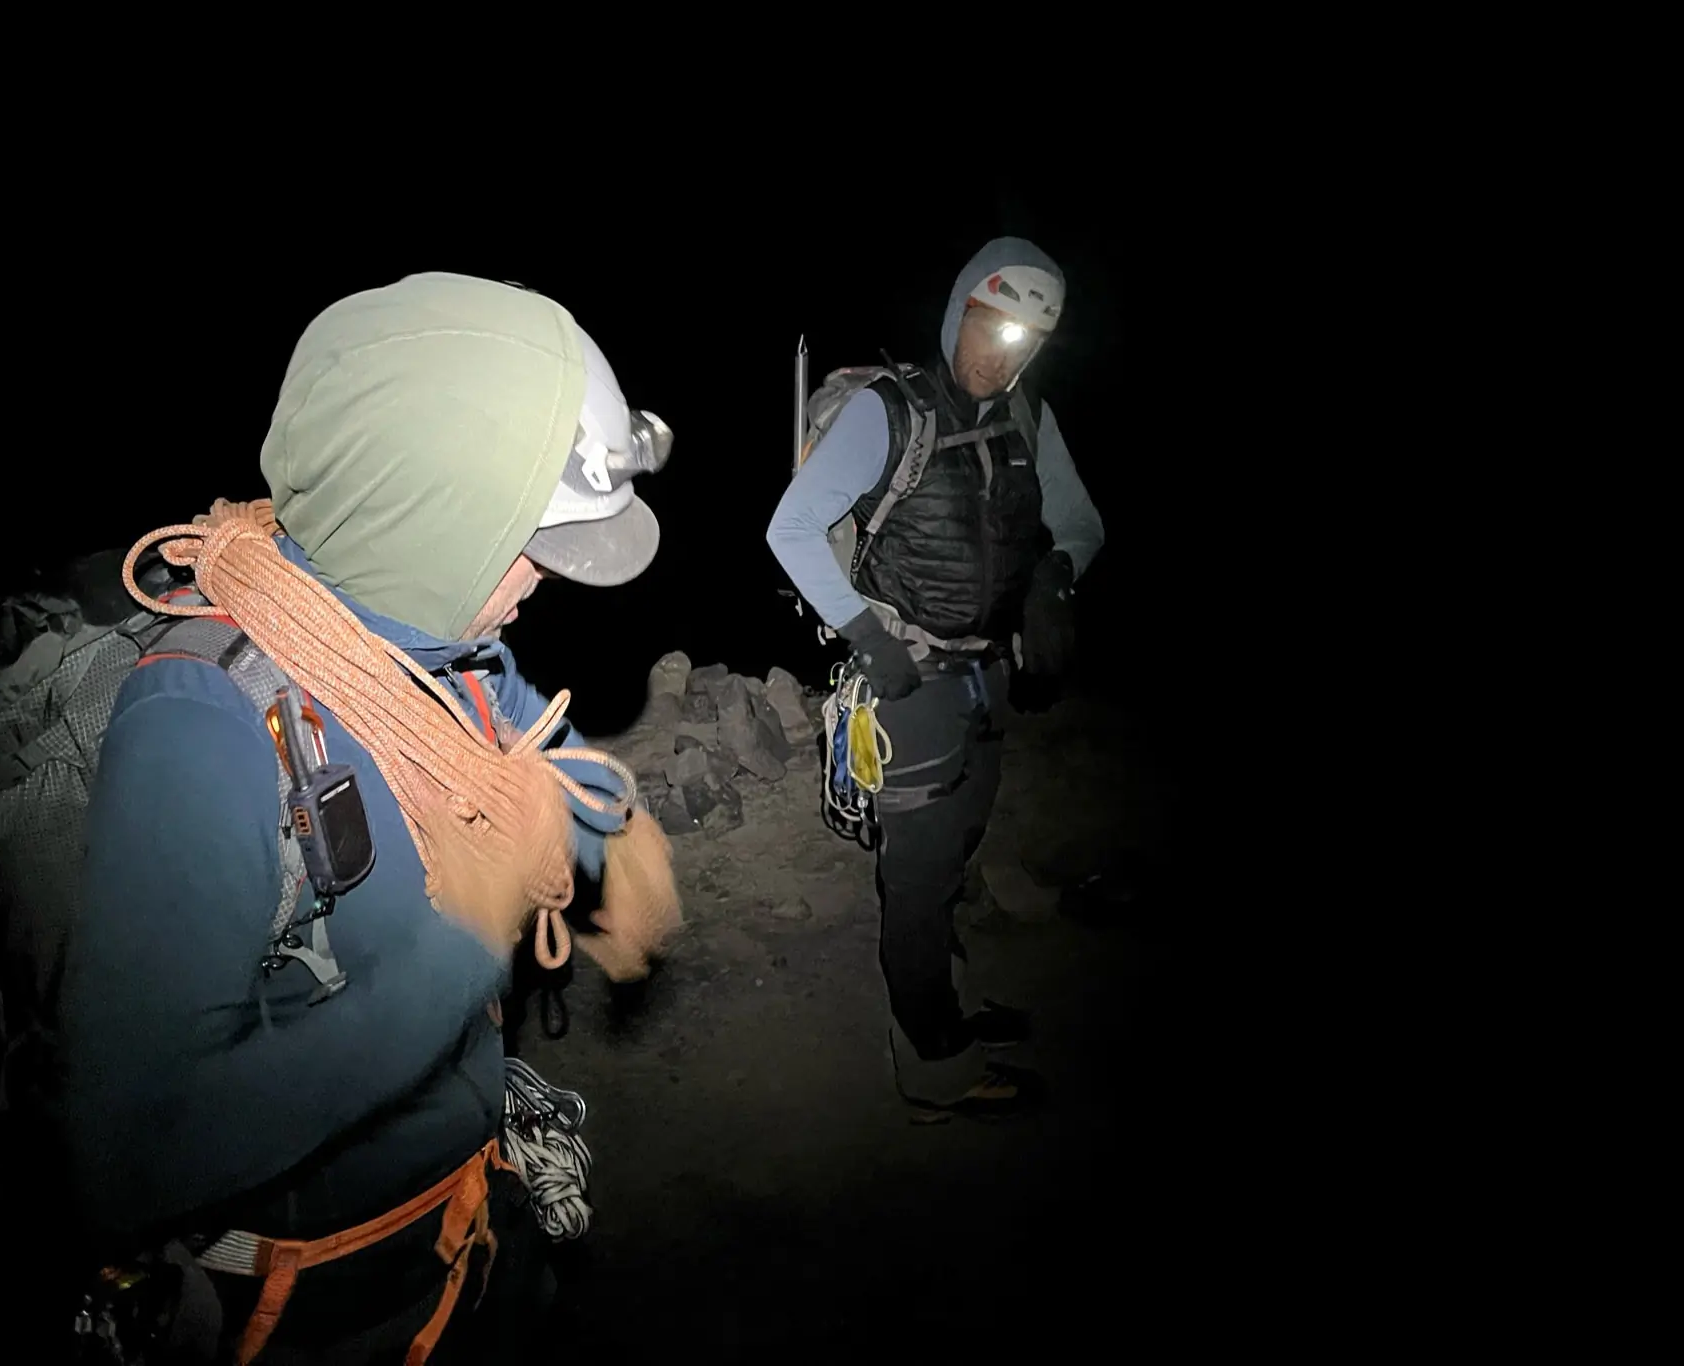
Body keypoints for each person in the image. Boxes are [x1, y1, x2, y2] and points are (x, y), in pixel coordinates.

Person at [56, 272, 682, 1362]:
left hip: (469, 1223)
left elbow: (538, 746)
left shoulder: (443, 650)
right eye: (530, 541)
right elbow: (135, 1151)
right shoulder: (200, 730)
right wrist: (468, 946)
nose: (547, 579)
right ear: (423, 523)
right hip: (316, 1314)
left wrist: (609, 833)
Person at [766, 237, 1106, 1117]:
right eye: (990, 325)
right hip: (906, 683)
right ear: (960, 313)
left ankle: (942, 1002)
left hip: (987, 676)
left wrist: (1054, 576)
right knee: (915, 879)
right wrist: (863, 636)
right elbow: (789, 529)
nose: (1000, 353)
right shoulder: (890, 411)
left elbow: (1081, 523)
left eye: (1023, 340)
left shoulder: (1026, 417)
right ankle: (932, 1066)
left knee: (956, 850)